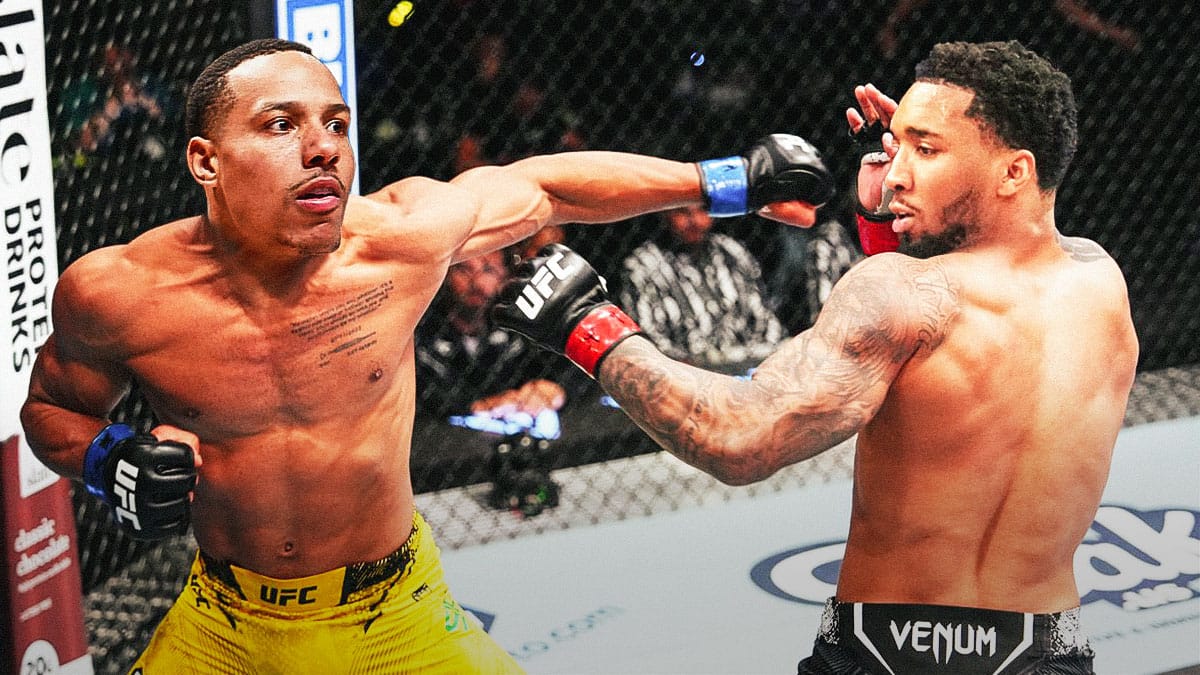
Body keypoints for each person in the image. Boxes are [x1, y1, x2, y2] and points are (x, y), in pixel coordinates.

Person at [19, 38, 829, 673]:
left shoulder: (395, 243)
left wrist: (731, 179)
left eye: (337, 124)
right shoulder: (120, 293)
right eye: (281, 125)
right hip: (225, 623)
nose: (324, 147)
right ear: (205, 160)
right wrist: (107, 457)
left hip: (395, 610)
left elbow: (545, 187)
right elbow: (51, 409)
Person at [494, 40, 1137, 674]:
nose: (897, 173)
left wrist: (586, 324)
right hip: (1046, 650)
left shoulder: (895, 293)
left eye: (926, 150)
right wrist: (899, 207)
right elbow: (953, 325)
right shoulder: (1099, 280)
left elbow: (738, 436)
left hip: (885, 654)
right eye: (899, 146)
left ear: (1014, 171)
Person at [415, 249, 578, 420]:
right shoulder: (421, 330)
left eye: (488, 270)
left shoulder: (517, 319)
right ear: (444, 276)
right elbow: (425, 400)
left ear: (505, 277)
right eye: (463, 270)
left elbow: (561, 370)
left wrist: (553, 390)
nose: (476, 282)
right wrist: (482, 405)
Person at [618, 204, 784, 368]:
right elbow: (648, 337)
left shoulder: (731, 251)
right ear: (663, 213)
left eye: (703, 210)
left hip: (746, 360)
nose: (696, 221)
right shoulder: (643, 265)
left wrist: (769, 354)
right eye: (682, 212)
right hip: (683, 370)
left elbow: (764, 316)